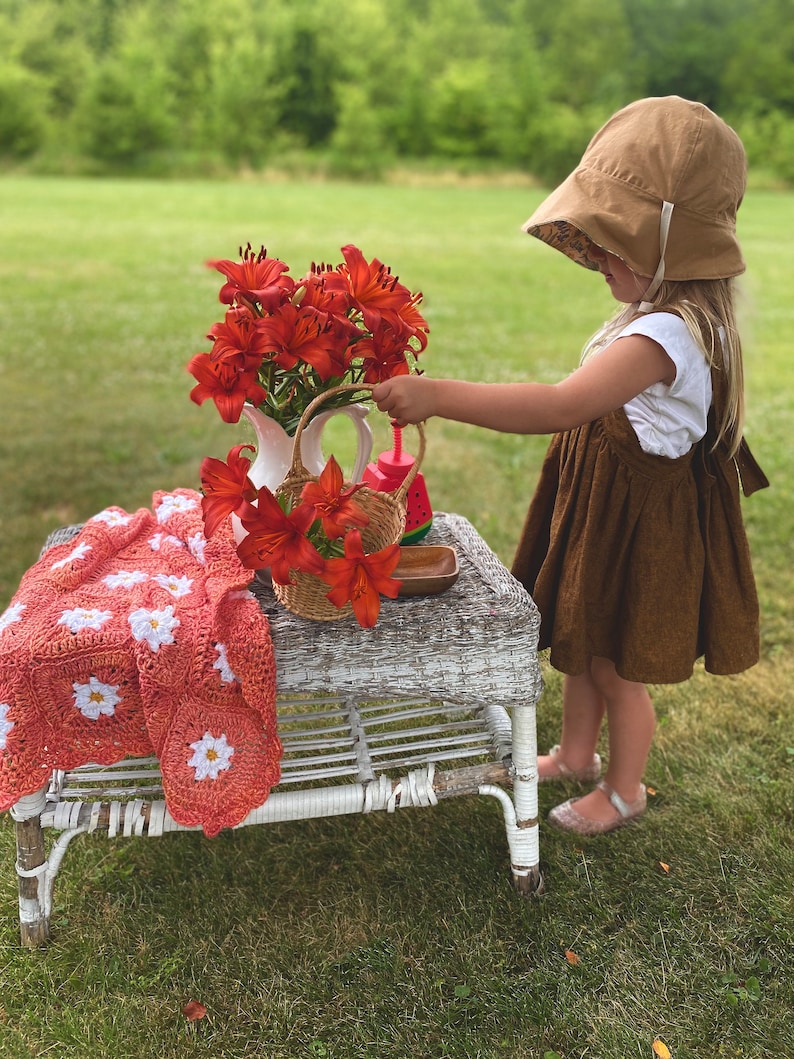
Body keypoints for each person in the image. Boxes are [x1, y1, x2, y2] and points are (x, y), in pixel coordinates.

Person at [372, 96, 768, 835]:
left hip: (638, 527)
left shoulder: (668, 337)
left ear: (669, 247)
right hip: (602, 510)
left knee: (615, 663)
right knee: (579, 641)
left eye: (611, 240)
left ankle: (624, 789)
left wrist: (438, 395)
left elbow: (560, 405)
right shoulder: (650, 312)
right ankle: (575, 754)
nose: (594, 256)